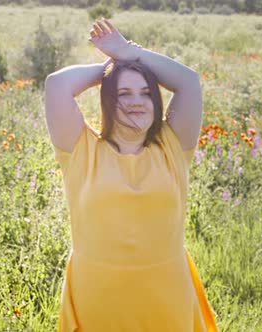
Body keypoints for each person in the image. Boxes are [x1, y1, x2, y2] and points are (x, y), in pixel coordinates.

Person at [44, 18, 218, 332]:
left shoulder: (172, 145)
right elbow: (56, 85)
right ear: (108, 100)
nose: (136, 101)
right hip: (98, 292)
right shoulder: (82, 150)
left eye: (145, 93)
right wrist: (112, 69)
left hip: (166, 290)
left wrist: (127, 51)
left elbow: (189, 82)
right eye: (123, 93)